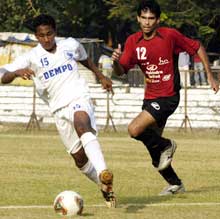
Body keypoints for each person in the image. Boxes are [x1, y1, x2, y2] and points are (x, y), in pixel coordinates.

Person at [0, 14, 116, 208]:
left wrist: (100, 76)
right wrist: (15, 72)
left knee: (82, 124)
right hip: (58, 109)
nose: (46, 39)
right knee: (79, 160)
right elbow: (2, 75)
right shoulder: (31, 57)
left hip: (79, 98)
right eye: (42, 35)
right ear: (36, 37)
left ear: (56, 32)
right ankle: (105, 185)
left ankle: (104, 170)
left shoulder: (70, 44)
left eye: (49, 34)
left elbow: (85, 58)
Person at [112, 0, 219, 196]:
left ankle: (168, 145)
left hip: (168, 96)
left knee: (134, 129)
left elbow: (197, 47)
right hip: (150, 98)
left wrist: (210, 75)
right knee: (156, 154)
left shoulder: (170, 35)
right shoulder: (133, 42)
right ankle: (175, 184)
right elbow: (121, 71)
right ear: (138, 18)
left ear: (157, 20)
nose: (147, 22)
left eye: (151, 18)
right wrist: (116, 62)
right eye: (143, 18)